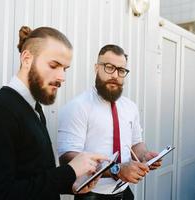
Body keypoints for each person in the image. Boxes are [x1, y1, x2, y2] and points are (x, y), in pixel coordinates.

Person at [0, 26, 108, 200]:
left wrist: (72, 185)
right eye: (54, 65)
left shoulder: (32, 108)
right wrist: (70, 171)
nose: (62, 77)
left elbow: (34, 175)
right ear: (27, 59)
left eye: (65, 69)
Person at [57, 44, 162, 200]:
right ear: (96, 68)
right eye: (109, 67)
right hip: (92, 195)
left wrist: (145, 156)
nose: (115, 75)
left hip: (124, 192)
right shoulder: (77, 106)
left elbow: (136, 143)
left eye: (121, 70)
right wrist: (116, 169)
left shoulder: (130, 107)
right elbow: (67, 157)